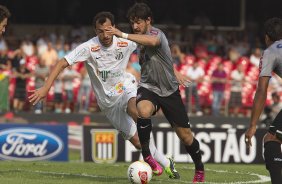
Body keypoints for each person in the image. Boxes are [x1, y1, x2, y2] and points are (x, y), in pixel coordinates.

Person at [28, 12, 180, 179]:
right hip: (107, 103)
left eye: (108, 30)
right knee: (137, 141)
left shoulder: (125, 41)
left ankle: (148, 156)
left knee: (136, 110)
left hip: (125, 87)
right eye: (100, 31)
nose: (105, 35)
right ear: (95, 31)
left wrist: (173, 71)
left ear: (113, 28)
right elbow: (62, 62)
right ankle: (166, 163)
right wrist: (46, 87)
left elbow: (155, 48)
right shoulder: (88, 47)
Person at [106, 3, 205, 182]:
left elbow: (153, 43)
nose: (135, 26)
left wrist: (121, 33)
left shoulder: (157, 34)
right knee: (142, 110)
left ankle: (199, 168)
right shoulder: (138, 39)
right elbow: (160, 59)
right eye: (132, 22)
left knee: (186, 137)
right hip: (148, 87)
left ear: (148, 20)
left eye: (138, 22)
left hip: (169, 92)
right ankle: (147, 155)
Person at [245, 17, 282, 184]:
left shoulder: (271, 51)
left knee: (271, 139)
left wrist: (252, 125)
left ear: (267, 37)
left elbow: (261, 90)